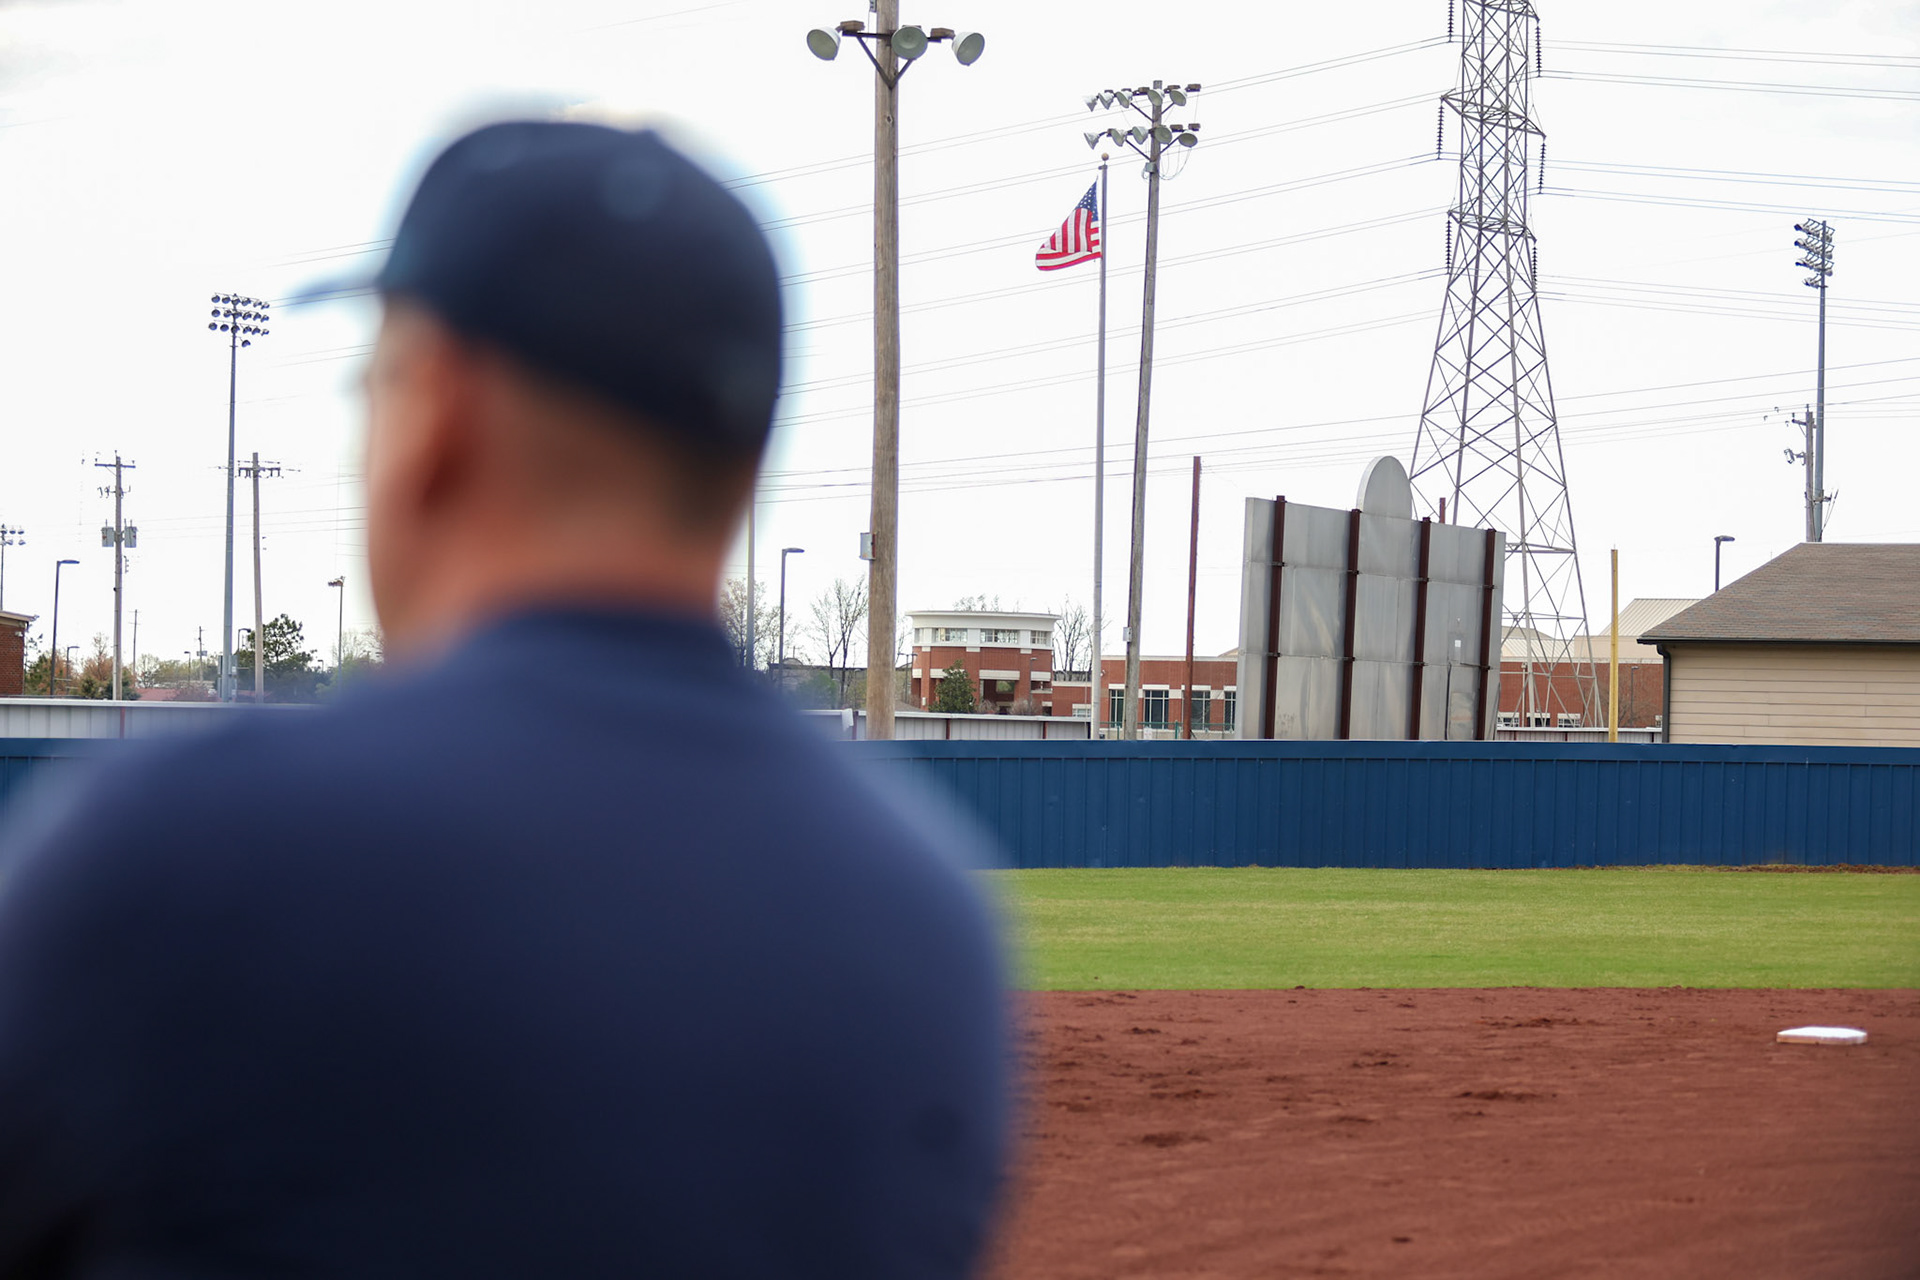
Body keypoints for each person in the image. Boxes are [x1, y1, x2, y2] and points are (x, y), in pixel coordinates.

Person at [0, 121, 1010, 1278]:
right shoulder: (930, 917)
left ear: (437, 407)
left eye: (372, 381)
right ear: (738, 459)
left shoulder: (184, 848)